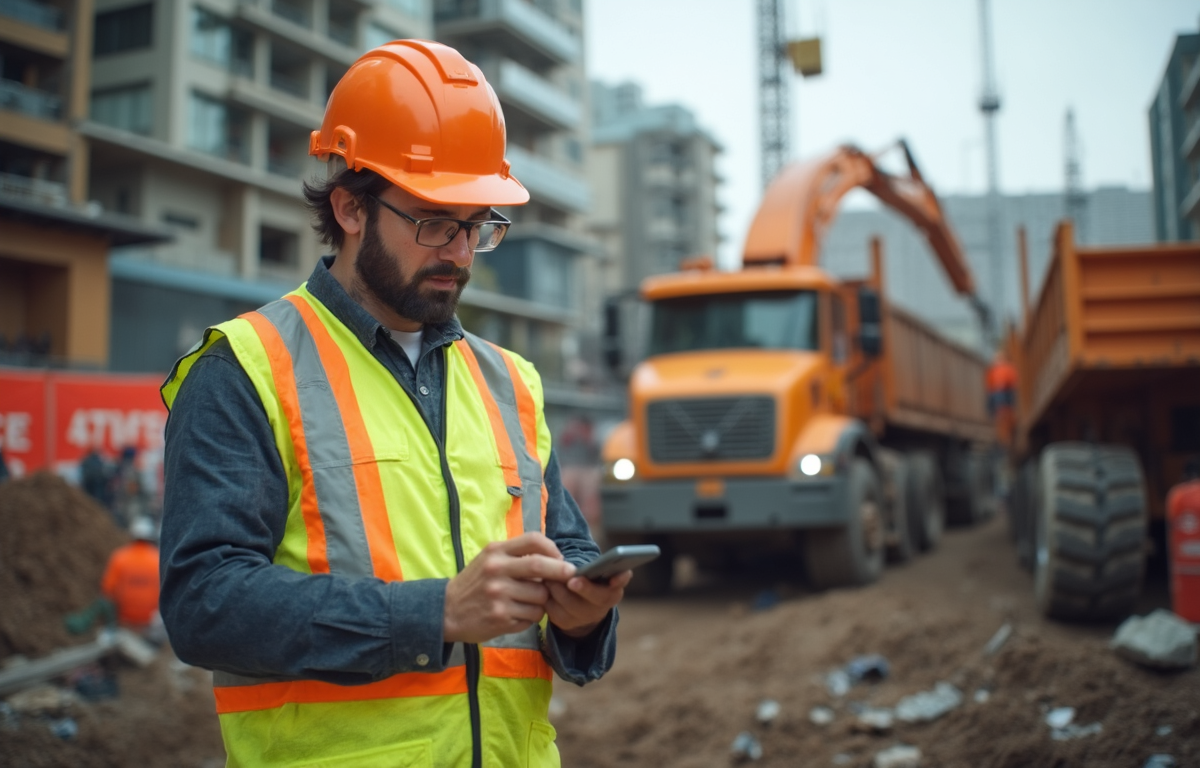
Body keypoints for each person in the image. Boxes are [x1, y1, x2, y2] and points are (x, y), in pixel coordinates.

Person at [159, 39, 628, 768]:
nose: (461, 253)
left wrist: (583, 613)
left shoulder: (512, 383)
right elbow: (204, 604)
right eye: (435, 222)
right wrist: (433, 612)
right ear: (350, 207)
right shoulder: (245, 368)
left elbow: (563, 554)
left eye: (477, 226)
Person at [101, 517, 161, 630]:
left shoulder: (119, 557)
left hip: (124, 618)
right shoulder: (157, 559)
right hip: (149, 620)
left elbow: (107, 589)